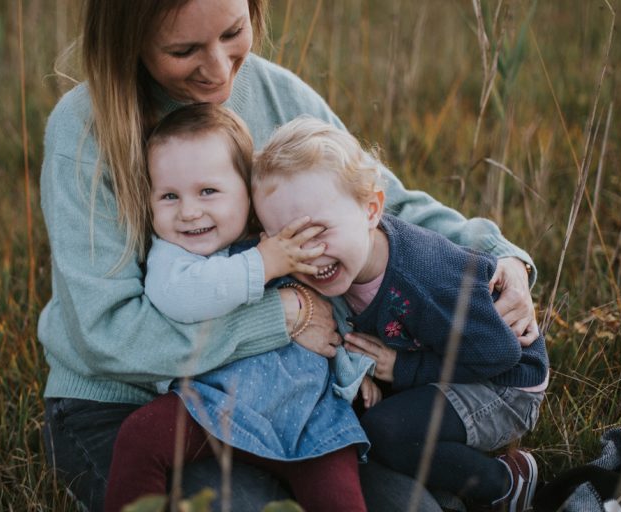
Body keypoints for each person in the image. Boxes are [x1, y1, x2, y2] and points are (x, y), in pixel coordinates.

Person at [38, 1, 540, 510]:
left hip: (280, 392)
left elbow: (379, 200)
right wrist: (281, 317)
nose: (219, 70)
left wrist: (498, 256)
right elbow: (107, 335)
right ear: (129, 41)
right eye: (184, 50)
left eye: (233, 32)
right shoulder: (83, 132)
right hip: (123, 402)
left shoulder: (274, 93)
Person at [250, 116, 550, 512]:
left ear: (371, 209)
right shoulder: (342, 263)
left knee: (389, 432)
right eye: (287, 241)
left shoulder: (425, 280)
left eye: (320, 231)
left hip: (503, 383)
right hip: (444, 355)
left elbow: (501, 352)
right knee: (376, 417)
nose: (309, 255)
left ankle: (506, 484)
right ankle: (446, 487)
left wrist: (404, 369)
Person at [105, 102, 374, 512]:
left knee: (339, 492)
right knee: (140, 435)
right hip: (213, 406)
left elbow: (332, 309)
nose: (189, 211)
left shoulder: (275, 234)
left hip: (309, 415)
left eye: (208, 191)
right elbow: (182, 296)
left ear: (248, 192)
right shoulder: (175, 258)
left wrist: (354, 369)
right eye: (169, 196)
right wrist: (263, 263)